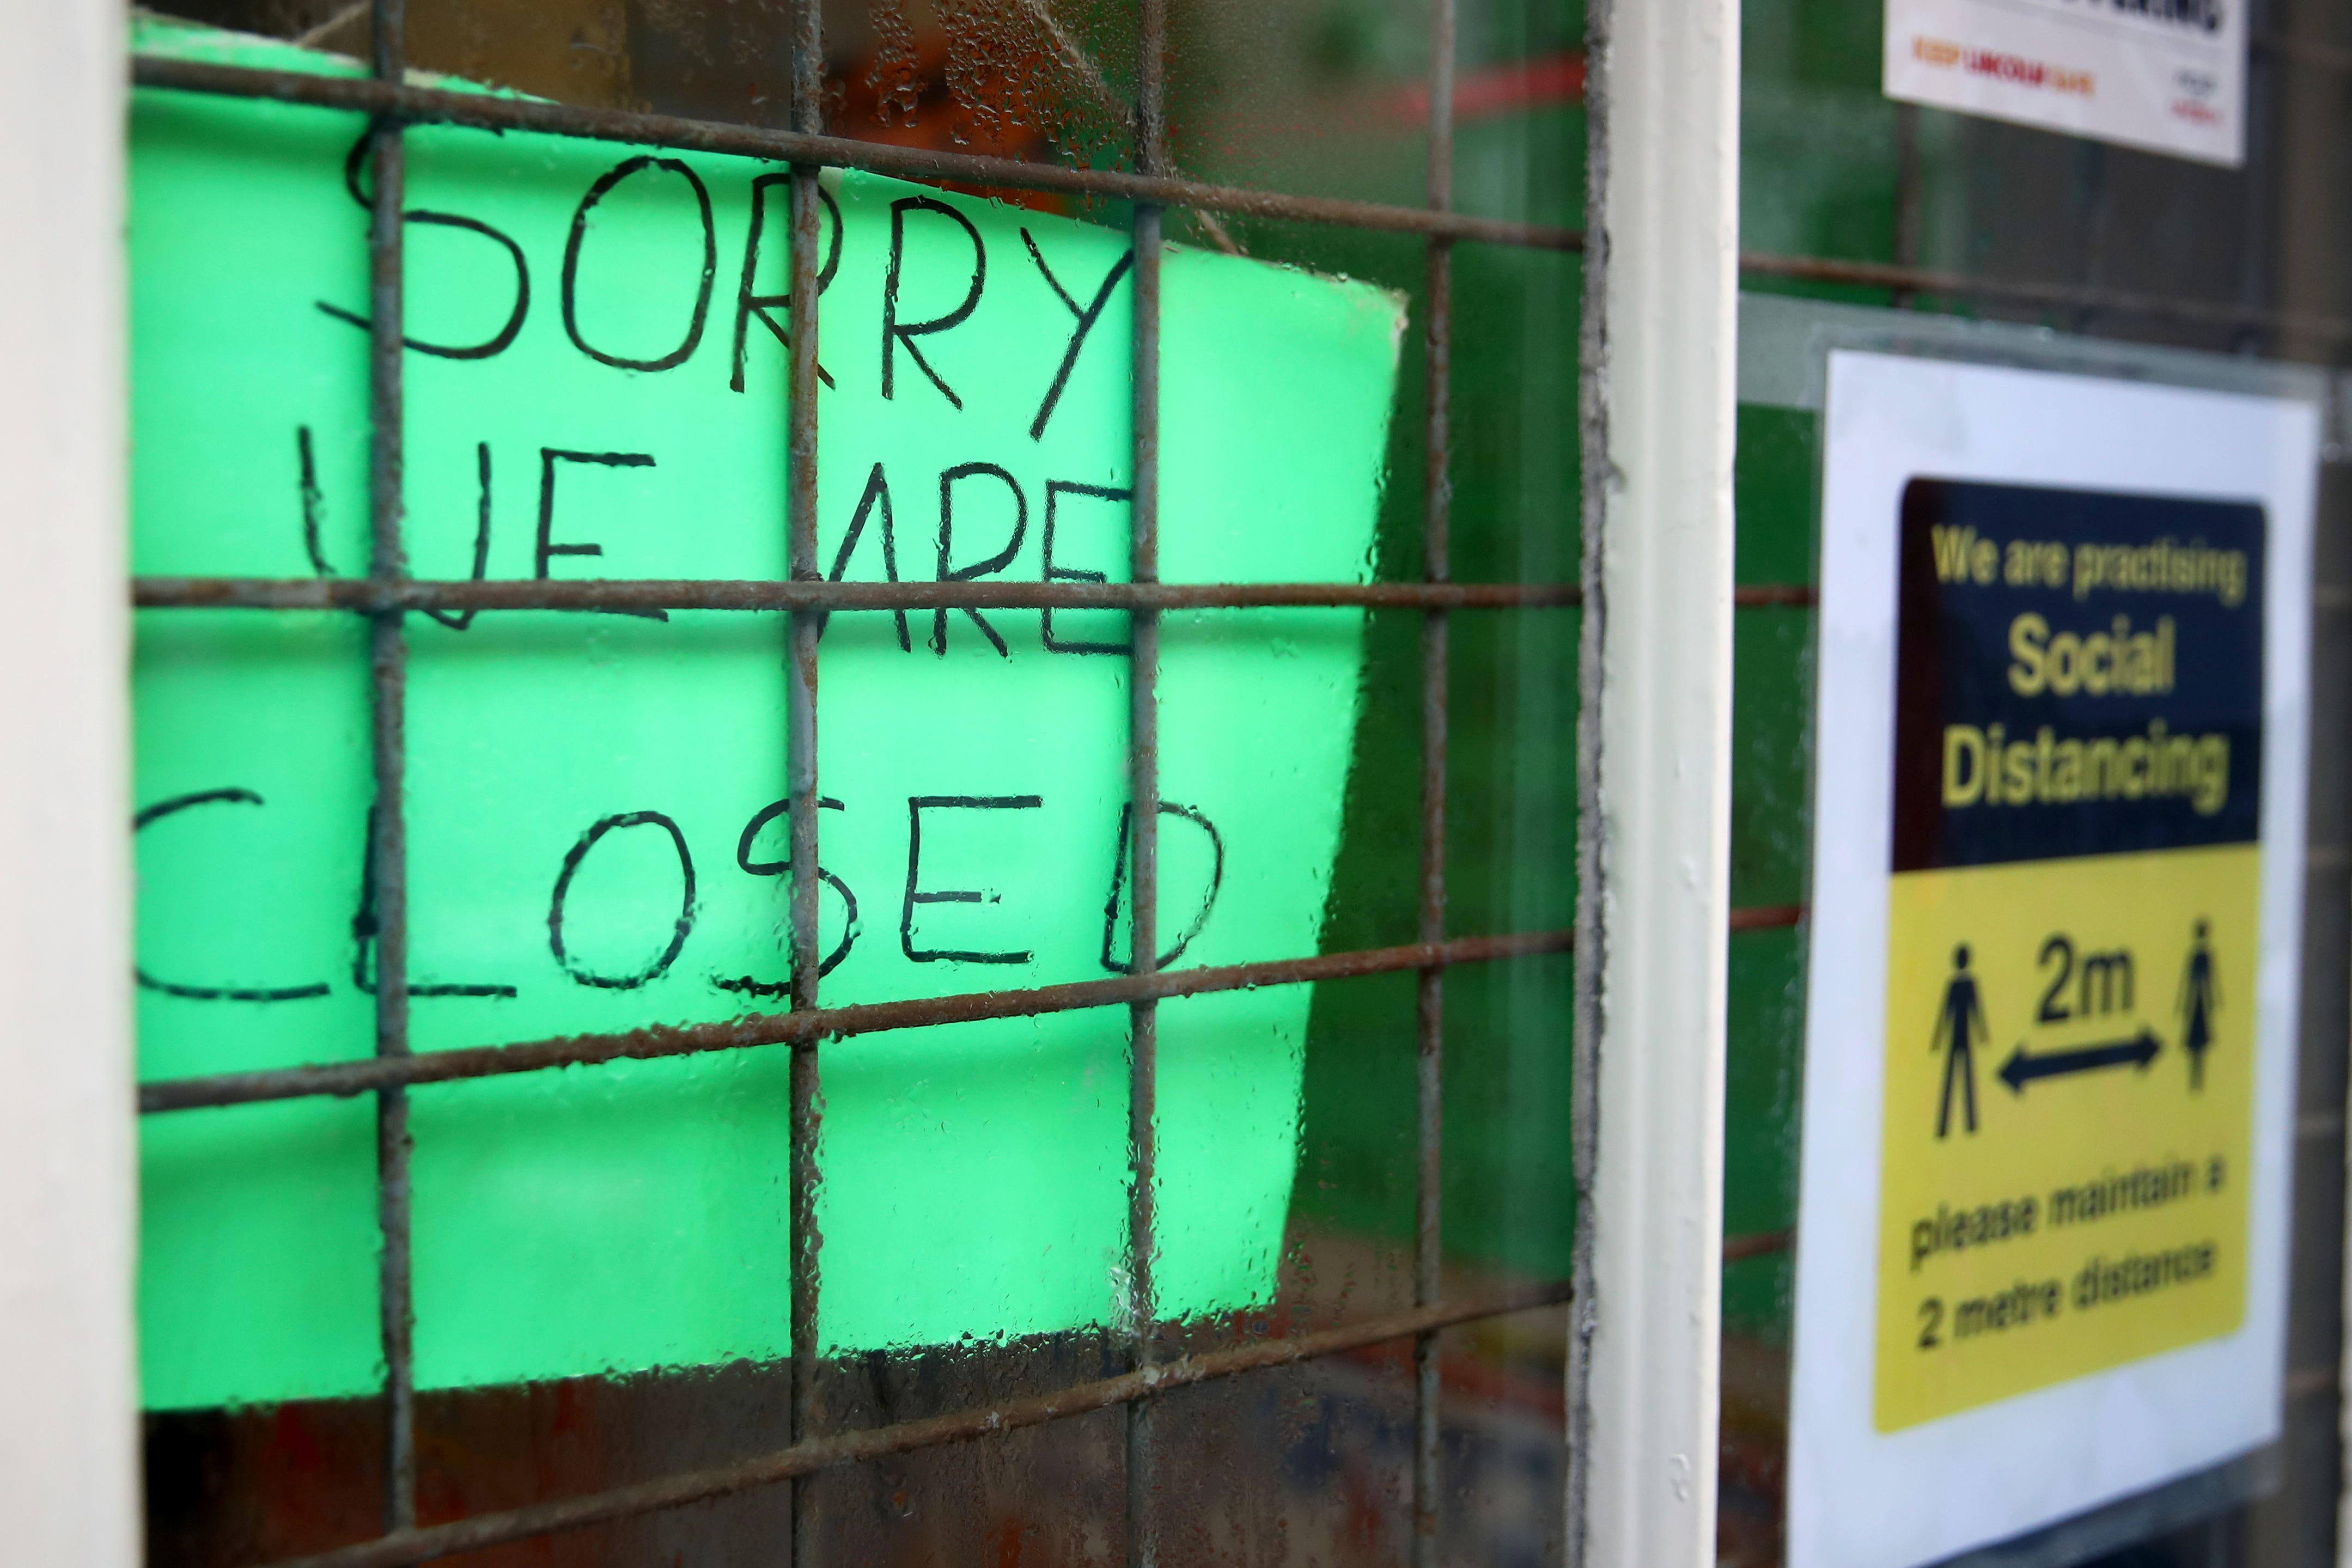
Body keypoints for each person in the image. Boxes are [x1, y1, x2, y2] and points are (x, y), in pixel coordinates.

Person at [1934, 943, 1988, 1137]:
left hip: (1961, 1036)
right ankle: (1953, 1125)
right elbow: (1945, 1014)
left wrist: (1983, 1035)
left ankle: (1962, 1125)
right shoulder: (1956, 985)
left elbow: (1975, 1010)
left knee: (1963, 1078)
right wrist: (1937, 1039)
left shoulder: (1962, 985)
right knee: (1959, 1078)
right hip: (1960, 1036)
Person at [2178, 919, 2219, 1093]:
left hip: (2198, 1004)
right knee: (2197, 1043)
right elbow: (2191, 982)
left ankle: (2197, 1082)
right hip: (2198, 1004)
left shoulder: (2202, 956)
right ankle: (2195, 1081)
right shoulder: (2199, 956)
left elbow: (2208, 982)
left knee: (2198, 1043)